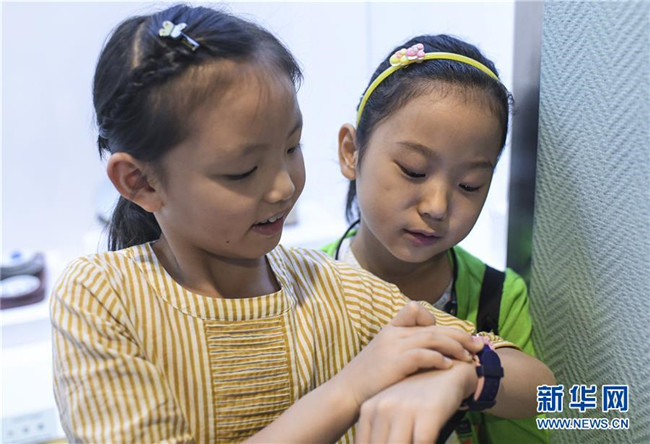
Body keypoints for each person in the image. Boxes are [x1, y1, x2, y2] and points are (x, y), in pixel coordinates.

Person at [51, 6, 554, 443]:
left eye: (292, 148)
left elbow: (565, 397)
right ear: (140, 181)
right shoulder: (101, 296)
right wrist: (349, 389)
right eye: (243, 170)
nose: (283, 188)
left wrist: (467, 376)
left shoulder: (334, 289)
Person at [322, 35, 549, 443]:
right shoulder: (301, 285)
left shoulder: (497, 298)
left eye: (469, 184)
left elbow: (548, 398)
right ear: (351, 151)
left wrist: (468, 375)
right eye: (413, 170)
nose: (437, 207)